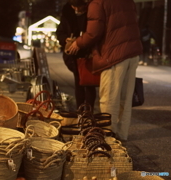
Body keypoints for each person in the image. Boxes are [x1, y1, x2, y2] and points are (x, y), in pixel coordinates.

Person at [67, 0, 143, 141]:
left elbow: (93, 33)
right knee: (124, 99)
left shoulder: (97, 3)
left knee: (109, 99)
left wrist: (78, 42)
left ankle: (109, 137)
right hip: (132, 53)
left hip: (114, 55)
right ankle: (121, 135)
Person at [56, 0, 97, 111]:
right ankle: (80, 112)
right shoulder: (67, 14)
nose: (77, 9)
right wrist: (65, 39)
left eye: (79, 6)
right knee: (78, 84)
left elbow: (94, 34)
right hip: (74, 57)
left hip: (88, 55)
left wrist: (81, 42)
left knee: (89, 85)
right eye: (74, 6)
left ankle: (88, 113)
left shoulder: (92, 12)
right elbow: (59, 32)